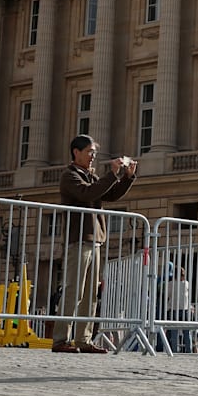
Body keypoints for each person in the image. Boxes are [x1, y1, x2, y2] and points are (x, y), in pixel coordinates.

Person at [54, 134, 138, 354]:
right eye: (90, 152)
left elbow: (109, 195)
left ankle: (83, 338)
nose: (93, 157)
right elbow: (87, 194)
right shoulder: (70, 176)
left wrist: (127, 177)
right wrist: (111, 174)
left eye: (94, 153)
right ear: (76, 152)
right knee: (74, 290)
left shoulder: (90, 175)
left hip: (95, 239)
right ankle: (61, 338)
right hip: (79, 238)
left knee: (91, 293)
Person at [165, 267, 193, 353]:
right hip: (185, 309)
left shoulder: (170, 284)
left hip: (174, 309)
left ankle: (174, 350)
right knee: (187, 332)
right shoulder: (187, 284)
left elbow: (168, 295)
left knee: (174, 332)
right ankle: (189, 350)